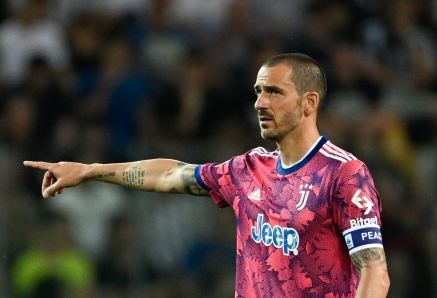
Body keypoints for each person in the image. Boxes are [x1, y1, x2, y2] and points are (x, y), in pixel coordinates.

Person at [24, 53, 390, 297]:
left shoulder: (342, 173)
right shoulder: (247, 169)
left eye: (274, 92)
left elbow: (374, 273)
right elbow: (170, 175)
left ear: (309, 102)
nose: (260, 102)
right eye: (258, 92)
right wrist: (90, 171)